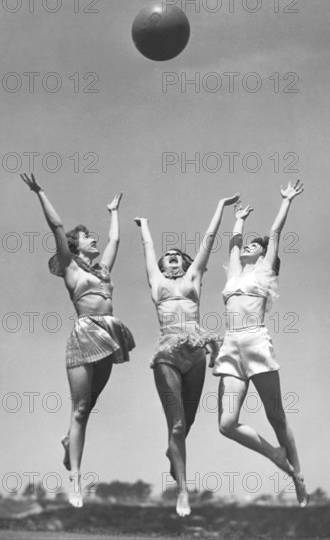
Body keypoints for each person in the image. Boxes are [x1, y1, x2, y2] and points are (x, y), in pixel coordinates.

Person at [20, 174, 135, 508]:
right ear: (76, 245)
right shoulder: (71, 268)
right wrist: (40, 192)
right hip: (84, 334)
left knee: (90, 405)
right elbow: (56, 226)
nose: (95, 241)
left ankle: (68, 439)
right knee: (81, 408)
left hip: (110, 334)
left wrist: (114, 211)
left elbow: (115, 241)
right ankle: (76, 480)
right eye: (89, 238)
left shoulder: (102, 271)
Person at [134, 193, 239, 516]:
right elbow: (149, 251)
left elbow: (208, 241)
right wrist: (145, 227)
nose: (171, 258)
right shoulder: (156, 281)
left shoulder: (194, 278)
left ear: (187, 262)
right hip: (167, 352)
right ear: (162, 266)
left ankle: (173, 454)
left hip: (195, 352)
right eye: (168, 257)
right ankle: (182, 490)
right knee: (177, 427)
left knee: (189, 420)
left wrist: (220, 206)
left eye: (177, 255)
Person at [213, 181, 309, 507]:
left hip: (254, 339)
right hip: (230, 347)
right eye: (249, 245)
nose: (249, 246)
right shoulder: (236, 273)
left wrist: (286, 201)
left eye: (256, 245)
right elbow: (232, 244)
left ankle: (298, 476)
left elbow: (275, 232)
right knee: (226, 424)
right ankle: (274, 455)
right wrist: (238, 219)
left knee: (276, 416)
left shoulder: (264, 272)